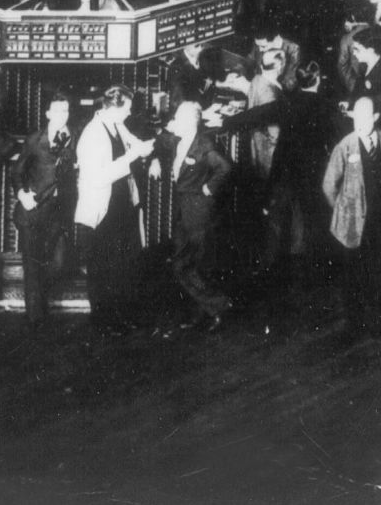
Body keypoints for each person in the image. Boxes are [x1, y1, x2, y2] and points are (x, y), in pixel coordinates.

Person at [74, 87, 155, 332]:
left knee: (122, 264)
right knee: (103, 267)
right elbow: (98, 178)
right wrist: (131, 157)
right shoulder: (91, 134)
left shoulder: (117, 125)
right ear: (112, 108)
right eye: (127, 108)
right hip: (103, 208)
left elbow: (136, 144)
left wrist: (150, 146)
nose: (129, 113)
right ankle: (103, 321)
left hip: (121, 204)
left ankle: (121, 316)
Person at [322, 96, 381, 341]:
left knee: (378, 273)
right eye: (356, 118)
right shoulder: (345, 146)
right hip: (352, 226)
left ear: (375, 117)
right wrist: (344, 210)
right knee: (352, 276)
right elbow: (328, 186)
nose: (359, 123)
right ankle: (354, 327)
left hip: (379, 221)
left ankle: (380, 326)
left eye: (365, 118)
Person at [152, 100, 234, 330]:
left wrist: (209, 188)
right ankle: (205, 310)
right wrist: (155, 159)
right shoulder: (177, 140)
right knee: (183, 263)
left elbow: (225, 168)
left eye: (178, 117)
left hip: (198, 210)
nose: (173, 121)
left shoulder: (204, 145)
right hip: (183, 208)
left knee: (192, 264)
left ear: (190, 122)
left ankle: (218, 306)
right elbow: (158, 140)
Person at [15, 94, 77, 327]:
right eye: (57, 111)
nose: (62, 115)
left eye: (66, 111)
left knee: (59, 263)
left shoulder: (74, 137)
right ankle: (35, 322)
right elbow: (17, 172)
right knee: (32, 266)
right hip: (32, 211)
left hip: (58, 213)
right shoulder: (35, 139)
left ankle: (40, 301)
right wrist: (22, 194)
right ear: (48, 113)